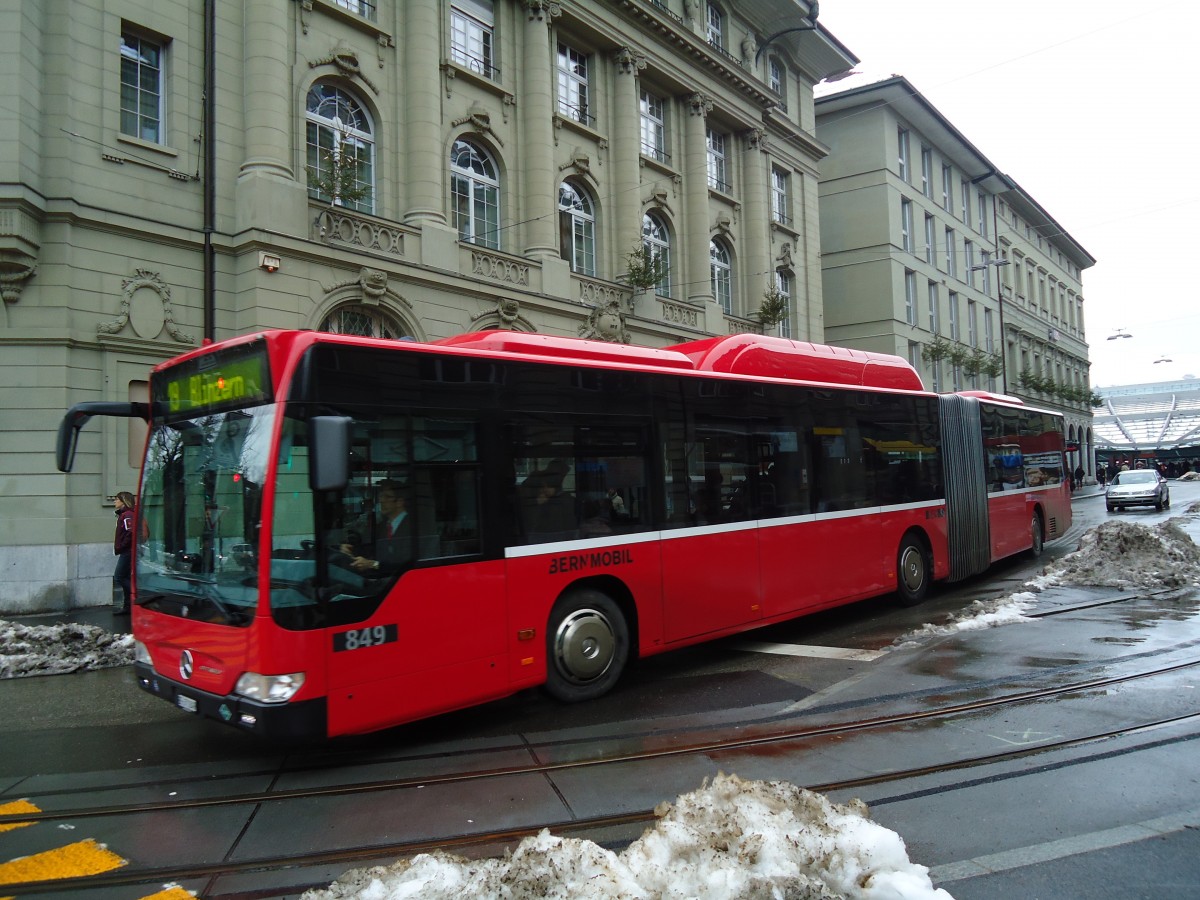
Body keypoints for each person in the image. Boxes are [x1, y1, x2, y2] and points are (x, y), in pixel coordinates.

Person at [341, 480, 412, 576]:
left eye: (387, 497)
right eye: (381, 496)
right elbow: (370, 549)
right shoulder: (382, 525)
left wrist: (373, 564)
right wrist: (349, 549)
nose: (382, 500)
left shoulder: (412, 527)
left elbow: (405, 563)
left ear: (399, 502)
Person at [113, 491, 136, 615]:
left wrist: (122, 546)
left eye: (116, 499)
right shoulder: (125, 514)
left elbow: (130, 532)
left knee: (119, 577)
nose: (114, 501)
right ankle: (128, 607)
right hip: (128, 550)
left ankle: (135, 598)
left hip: (128, 551)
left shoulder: (127, 515)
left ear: (123, 501)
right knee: (125, 577)